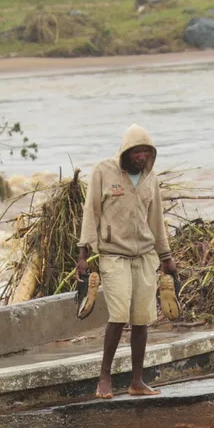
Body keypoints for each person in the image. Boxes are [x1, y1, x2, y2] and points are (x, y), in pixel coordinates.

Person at [76, 124, 178, 399]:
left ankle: (137, 381)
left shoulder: (150, 179)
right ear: (125, 152)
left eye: (146, 152)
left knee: (142, 319)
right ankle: (104, 377)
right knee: (119, 315)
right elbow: (91, 213)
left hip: (145, 256)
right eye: (136, 152)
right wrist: (83, 253)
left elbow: (157, 220)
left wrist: (167, 258)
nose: (141, 157)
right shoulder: (103, 172)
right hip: (114, 255)